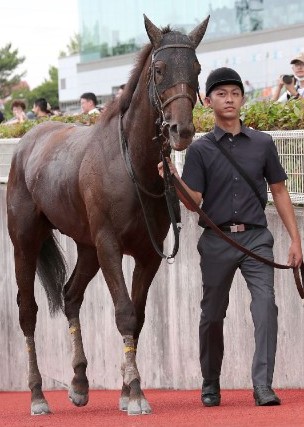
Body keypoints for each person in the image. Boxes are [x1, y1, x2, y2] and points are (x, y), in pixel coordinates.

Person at [158, 67, 303, 407]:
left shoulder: (263, 144)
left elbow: (280, 192)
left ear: (242, 100)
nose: (229, 99)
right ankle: (210, 382)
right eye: (221, 94)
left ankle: (263, 385)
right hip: (217, 240)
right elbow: (194, 203)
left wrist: (295, 241)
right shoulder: (200, 150)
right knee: (212, 314)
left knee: (266, 306)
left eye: (235, 93)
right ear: (207, 102)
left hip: (256, 239)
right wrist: (175, 178)